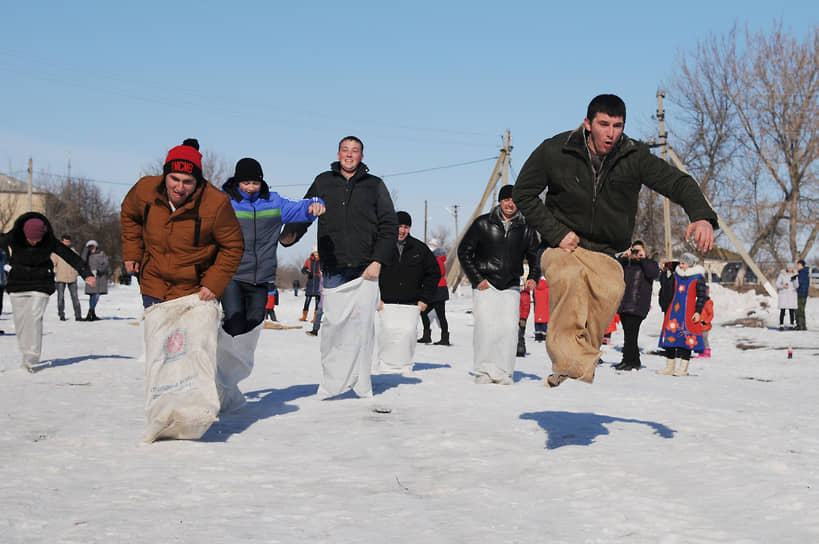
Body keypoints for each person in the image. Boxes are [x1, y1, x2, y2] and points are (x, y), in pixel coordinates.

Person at [513, 93, 717, 387]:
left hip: (606, 251)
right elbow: (523, 193)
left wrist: (701, 215)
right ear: (587, 123)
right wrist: (556, 232)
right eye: (604, 124)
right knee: (569, 279)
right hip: (562, 244)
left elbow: (676, 182)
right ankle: (564, 360)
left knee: (611, 289)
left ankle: (580, 361)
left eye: (617, 126)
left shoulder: (633, 157)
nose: (610, 133)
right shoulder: (555, 150)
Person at [121, 138, 244, 440]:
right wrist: (132, 252)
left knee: (190, 353)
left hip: (193, 289)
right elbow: (129, 216)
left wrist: (213, 284)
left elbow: (233, 246)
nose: (179, 186)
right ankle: (163, 414)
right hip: (153, 282)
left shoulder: (216, 203)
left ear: (197, 180)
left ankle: (191, 414)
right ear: (165, 175)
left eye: (187, 181)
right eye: (174, 178)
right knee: (160, 353)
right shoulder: (145, 191)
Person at [281, 135, 397, 398]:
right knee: (333, 326)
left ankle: (360, 381)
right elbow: (305, 211)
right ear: (338, 154)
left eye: (354, 151)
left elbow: (388, 224)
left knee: (362, 327)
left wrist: (378, 260)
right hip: (333, 267)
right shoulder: (323, 181)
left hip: (365, 268)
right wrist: (290, 235)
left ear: (362, 157)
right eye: (345, 150)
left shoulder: (374, 185)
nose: (349, 154)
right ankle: (333, 382)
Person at [218, 157, 324, 410]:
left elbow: (299, 209)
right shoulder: (224, 202)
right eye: (246, 182)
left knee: (253, 323)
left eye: (255, 182)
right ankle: (218, 374)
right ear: (237, 181)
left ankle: (230, 378)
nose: (251, 187)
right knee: (233, 320)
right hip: (231, 273)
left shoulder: (273, 202)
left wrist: (316, 204)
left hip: (261, 277)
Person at [458, 184, 540, 385]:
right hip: (486, 284)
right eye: (506, 200)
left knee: (508, 329)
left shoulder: (526, 228)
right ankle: (483, 372)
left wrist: (534, 277)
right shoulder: (482, 223)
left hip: (511, 285)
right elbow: (464, 251)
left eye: (513, 200)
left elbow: (536, 256)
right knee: (486, 328)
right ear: (500, 202)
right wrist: (477, 279)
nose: (510, 204)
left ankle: (504, 372)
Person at [0, 213, 95, 372]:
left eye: (37, 239)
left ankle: (31, 356)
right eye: (31, 239)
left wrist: (86, 273)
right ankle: (25, 353)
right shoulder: (12, 237)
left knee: (34, 317)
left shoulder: (49, 241)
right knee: (21, 321)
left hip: (41, 283)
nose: (34, 242)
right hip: (18, 283)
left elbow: (69, 255)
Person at [376, 211, 440, 373]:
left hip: (412, 302)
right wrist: (376, 298)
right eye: (399, 226)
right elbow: (370, 272)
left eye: (405, 227)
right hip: (386, 301)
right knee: (388, 332)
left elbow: (434, 273)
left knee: (408, 334)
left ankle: (405, 366)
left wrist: (425, 299)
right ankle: (386, 366)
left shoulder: (419, 248)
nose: (402, 230)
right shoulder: (381, 246)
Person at [657, 252, 707, 376]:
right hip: (674, 312)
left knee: (686, 339)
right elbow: (666, 286)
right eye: (680, 263)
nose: (681, 265)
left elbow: (702, 296)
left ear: (690, 265)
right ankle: (670, 367)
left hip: (688, 313)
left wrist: (698, 312)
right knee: (670, 338)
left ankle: (682, 369)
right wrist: (665, 271)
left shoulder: (697, 278)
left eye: (683, 263)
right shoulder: (676, 276)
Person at [614, 240, 660, 371]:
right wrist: (623, 257)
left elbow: (654, 274)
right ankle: (633, 361)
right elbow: (615, 269)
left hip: (638, 306)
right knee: (628, 335)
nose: (636, 253)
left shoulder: (649, 264)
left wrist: (643, 259)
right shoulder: (627, 265)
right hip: (624, 305)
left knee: (631, 335)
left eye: (639, 250)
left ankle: (628, 361)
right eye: (634, 250)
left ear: (645, 251)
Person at [418, 238, 450, 345]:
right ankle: (427, 335)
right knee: (424, 312)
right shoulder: (434, 259)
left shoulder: (436, 260)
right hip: (436, 290)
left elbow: (436, 274)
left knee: (440, 315)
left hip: (438, 290)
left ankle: (444, 338)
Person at [51, 235, 84, 321]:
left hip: (72, 277)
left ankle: (78, 315)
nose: (67, 243)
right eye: (66, 241)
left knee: (75, 297)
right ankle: (61, 314)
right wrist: (54, 271)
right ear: (62, 241)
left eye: (68, 241)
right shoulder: (56, 252)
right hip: (60, 277)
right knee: (60, 297)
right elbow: (52, 263)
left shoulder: (74, 252)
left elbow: (78, 263)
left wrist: (77, 272)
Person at [81, 240, 109, 321]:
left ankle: (91, 312)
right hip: (91, 277)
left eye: (93, 246)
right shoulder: (87, 255)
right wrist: (86, 249)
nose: (92, 248)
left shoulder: (101, 254)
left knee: (96, 295)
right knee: (92, 295)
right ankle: (91, 312)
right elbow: (82, 260)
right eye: (90, 247)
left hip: (100, 277)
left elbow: (106, 263)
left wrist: (100, 270)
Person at [299, 248, 321, 322]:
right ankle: (304, 316)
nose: (316, 253)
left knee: (317, 301)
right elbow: (303, 270)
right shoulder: (308, 260)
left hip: (318, 282)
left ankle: (315, 318)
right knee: (307, 300)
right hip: (310, 282)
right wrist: (307, 271)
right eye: (315, 252)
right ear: (313, 252)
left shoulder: (321, 260)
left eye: (317, 252)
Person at [775, 264, 798, 330]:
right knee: (783, 310)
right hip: (784, 294)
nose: (790, 269)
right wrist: (783, 286)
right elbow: (777, 284)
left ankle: (791, 325)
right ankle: (781, 325)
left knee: (791, 310)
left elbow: (797, 286)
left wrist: (795, 280)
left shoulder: (795, 275)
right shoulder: (782, 274)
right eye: (789, 268)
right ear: (787, 268)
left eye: (791, 268)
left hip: (792, 295)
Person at [532, 276, 550, 342]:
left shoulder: (535, 288)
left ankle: (538, 336)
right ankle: (544, 335)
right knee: (544, 321)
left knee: (537, 321)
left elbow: (534, 298)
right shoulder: (548, 288)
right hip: (546, 309)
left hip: (537, 309)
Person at [795, 259, 809, 331]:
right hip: (804, 293)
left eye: (798, 265)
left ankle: (800, 325)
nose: (797, 266)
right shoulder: (804, 272)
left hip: (801, 293)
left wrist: (794, 280)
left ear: (801, 265)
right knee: (802, 309)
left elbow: (799, 283)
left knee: (799, 309)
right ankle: (803, 325)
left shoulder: (802, 273)